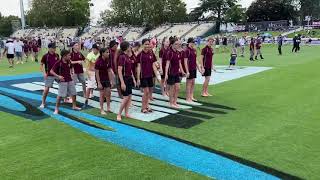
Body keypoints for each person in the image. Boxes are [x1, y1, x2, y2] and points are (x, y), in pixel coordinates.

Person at [50, 49, 81, 114]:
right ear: (64, 56)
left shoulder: (68, 61)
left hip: (70, 80)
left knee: (74, 93)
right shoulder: (58, 63)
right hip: (63, 82)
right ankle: (56, 109)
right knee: (60, 96)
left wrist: (72, 72)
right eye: (69, 55)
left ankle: (74, 106)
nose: (70, 57)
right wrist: (58, 76)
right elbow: (51, 71)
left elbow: (71, 67)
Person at [136, 39, 160, 113]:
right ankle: (143, 107)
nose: (147, 46)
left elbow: (154, 64)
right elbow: (138, 67)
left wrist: (157, 75)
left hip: (150, 75)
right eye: (145, 44)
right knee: (145, 92)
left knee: (149, 93)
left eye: (148, 44)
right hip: (143, 76)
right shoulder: (140, 55)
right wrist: (138, 78)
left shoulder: (151, 53)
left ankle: (147, 106)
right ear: (143, 45)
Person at [117, 41, 136, 121]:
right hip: (124, 78)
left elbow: (130, 69)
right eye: (129, 46)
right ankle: (119, 114)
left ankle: (126, 113)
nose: (130, 47)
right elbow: (119, 70)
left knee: (129, 96)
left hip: (129, 78)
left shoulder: (127, 56)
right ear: (126, 47)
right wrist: (122, 82)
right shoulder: (122, 57)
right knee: (125, 97)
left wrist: (133, 79)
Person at [165, 38, 186, 108]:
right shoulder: (170, 53)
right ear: (172, 45)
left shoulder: (178, 52)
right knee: (172, 88)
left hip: (177, 73)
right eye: (176, 44)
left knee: (178, 88)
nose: (177, 45)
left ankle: (175, 102)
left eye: (178, 44)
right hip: (171, 73)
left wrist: (182, 71)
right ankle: (171, 103)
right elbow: (167, 64)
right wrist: (166, 74)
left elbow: (179, 63)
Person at [39, 43, 60, 108]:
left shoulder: (57, 55)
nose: (55, 49)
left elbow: (59, 64)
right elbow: (41, 65)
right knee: (46, 89)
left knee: (64, 85)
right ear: (49, 48)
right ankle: (43, 103)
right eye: (53, 48)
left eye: (55, 48)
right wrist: (44, 73)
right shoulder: (45, 56)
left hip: (57, 74)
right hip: (49, 75)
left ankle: (65, 98)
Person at [95, 48, 114, 115]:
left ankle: (108, 108)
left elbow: (109, 71)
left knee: (108, 93)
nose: (108, 53)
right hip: (101, 79)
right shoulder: (98, 61)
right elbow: (96, 73)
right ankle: (101, 109)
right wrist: (99, 83)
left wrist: (111, 80)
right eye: (107, 52)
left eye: (108, 52)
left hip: (107, 79)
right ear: (102, 53)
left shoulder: (108, 61)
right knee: (102, 94)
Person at [83, 44, 100, 108]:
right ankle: (86, 101)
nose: (98, 50)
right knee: (89, 87)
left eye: (98, 49)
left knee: (101, 86)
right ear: (93, 49)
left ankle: (103, 98)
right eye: (97, 49)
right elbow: (87, 65)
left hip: (98, 72)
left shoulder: (99, 54)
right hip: (92, 72)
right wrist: (88, 73)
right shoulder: (89, 55)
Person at [184, 38, 199, 102]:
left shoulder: (194, 50)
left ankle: (191, 96)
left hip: (193, 68)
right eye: (192, 42)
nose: (193, 43)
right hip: (189, 68)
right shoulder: (187, 50)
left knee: (193, 83)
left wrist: (199, 68)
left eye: (194, 42)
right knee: (189, 83)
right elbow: (185, 61)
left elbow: (195, 60)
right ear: (189, 43)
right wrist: (187, 71)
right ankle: (188, 98)